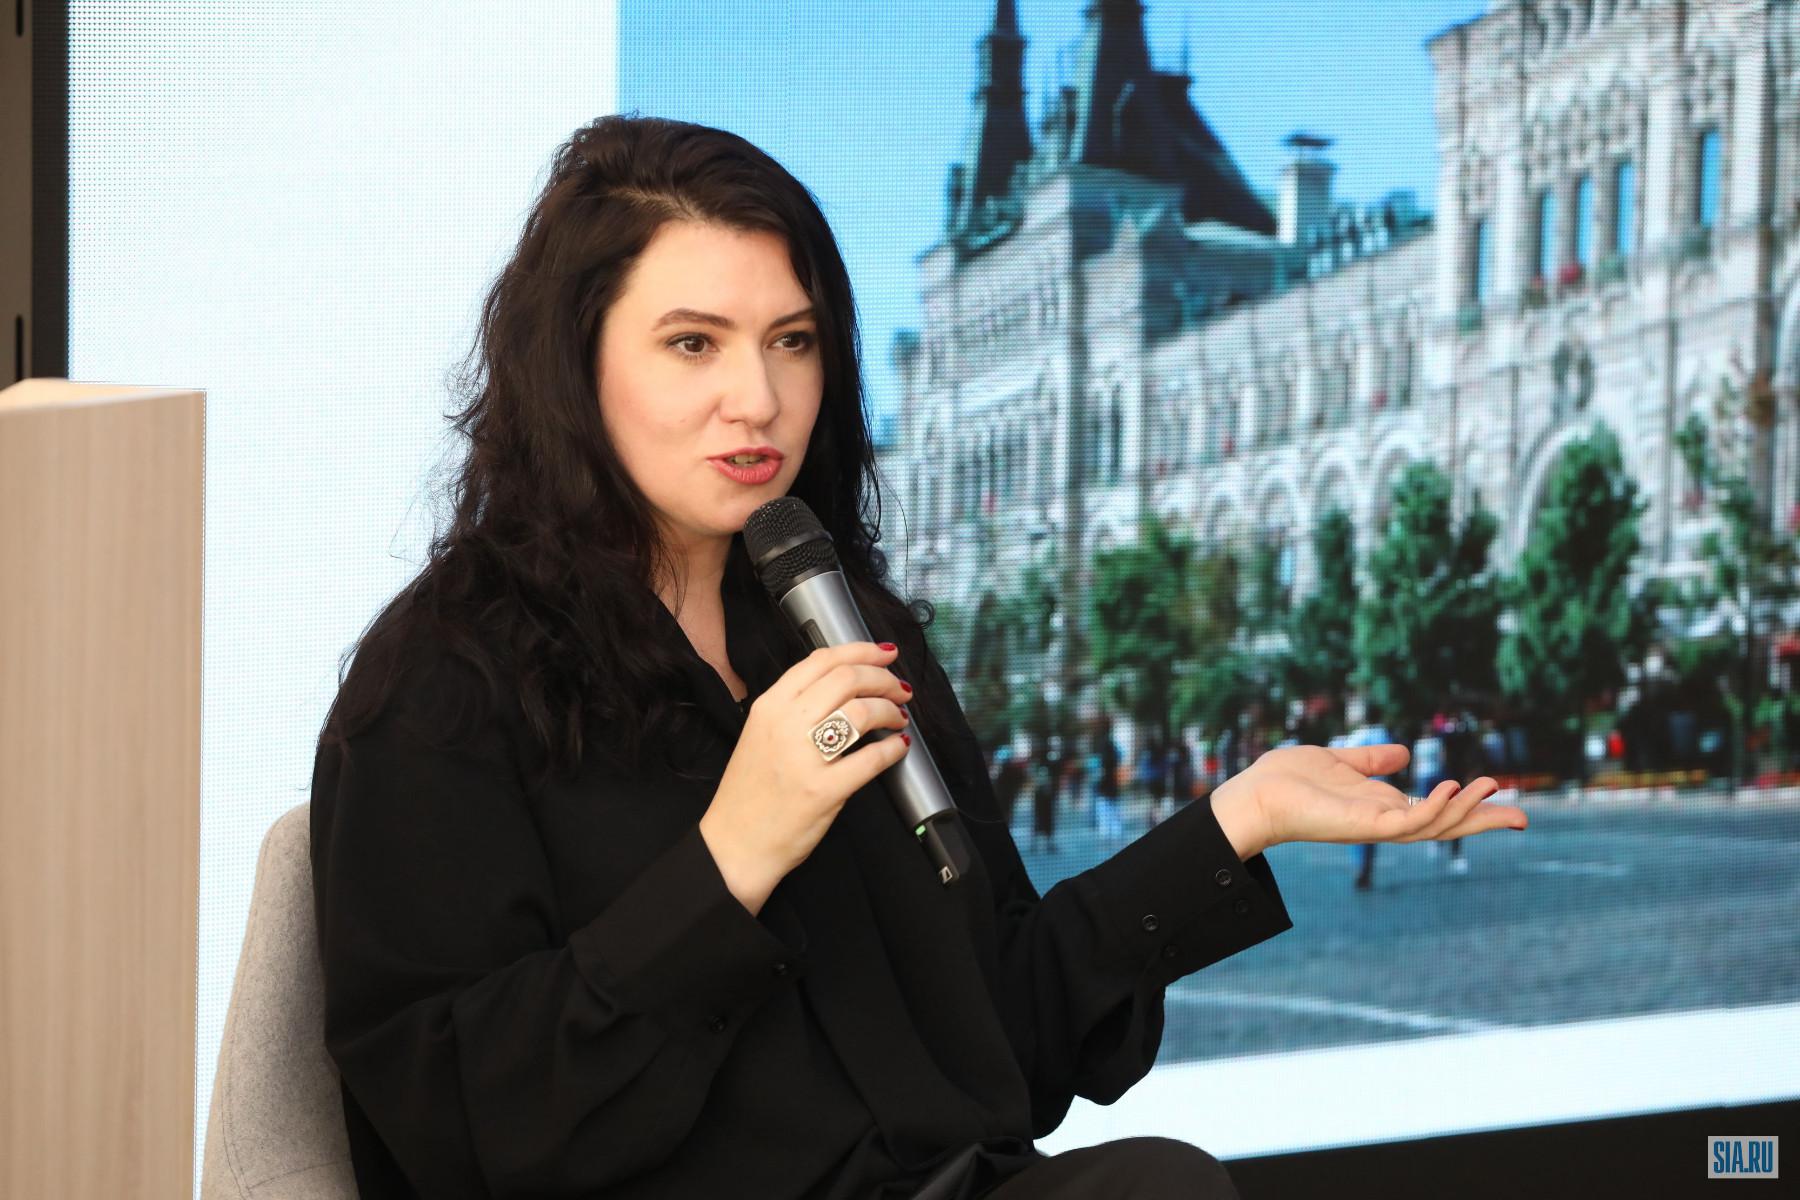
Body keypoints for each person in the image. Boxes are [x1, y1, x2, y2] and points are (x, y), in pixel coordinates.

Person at [309, 114, 1528, 1200]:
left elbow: (1004, 1043)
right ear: (574, 364)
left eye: (792, 341)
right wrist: (734, 855)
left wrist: (1236, 821)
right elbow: (461, 1133)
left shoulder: (839, 628)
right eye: (693, 344)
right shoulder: (444, 682)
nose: (758, 398)